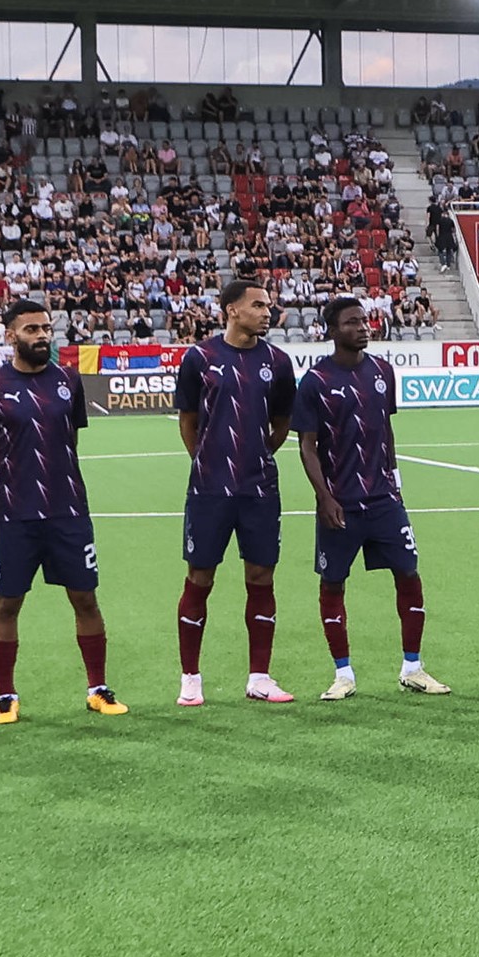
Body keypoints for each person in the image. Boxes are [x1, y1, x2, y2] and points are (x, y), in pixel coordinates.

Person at [0, 297, 124, 719]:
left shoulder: (69, 381)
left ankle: (98, 688)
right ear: (10, 336)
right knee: (7, 604)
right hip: (16, 514)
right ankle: (6, 696)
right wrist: (16, 485)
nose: (41, 336)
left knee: (86, 599)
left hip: (68, 510)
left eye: (45, 328)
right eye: (31, 329)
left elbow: (68, 440)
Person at [296, 295, 441, 699]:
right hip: (340, 502)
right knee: (333, 583)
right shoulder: (315, 382)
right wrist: (324, 498)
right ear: (332, 331)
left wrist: (394, 480)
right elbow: (307, 446)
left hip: (383, 500)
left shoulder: (382, 371)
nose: (363, 327)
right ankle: (343, 674)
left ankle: (413, 667)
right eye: (352, 322)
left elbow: (386, 429)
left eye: (364, 320)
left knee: (409, 575)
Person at [173, 278, 297, 706]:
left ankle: (259, 677)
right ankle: (191, 678)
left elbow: (282, 422)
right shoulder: (200, 358)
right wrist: (207, 461)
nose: (268, 311)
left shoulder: (278, 363)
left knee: (261, 577)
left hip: (259, 487)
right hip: (209, 489)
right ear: (231, 310)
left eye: (269, 305)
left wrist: (257, 455)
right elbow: (188, 420)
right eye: (258, 304)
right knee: (199, 578)